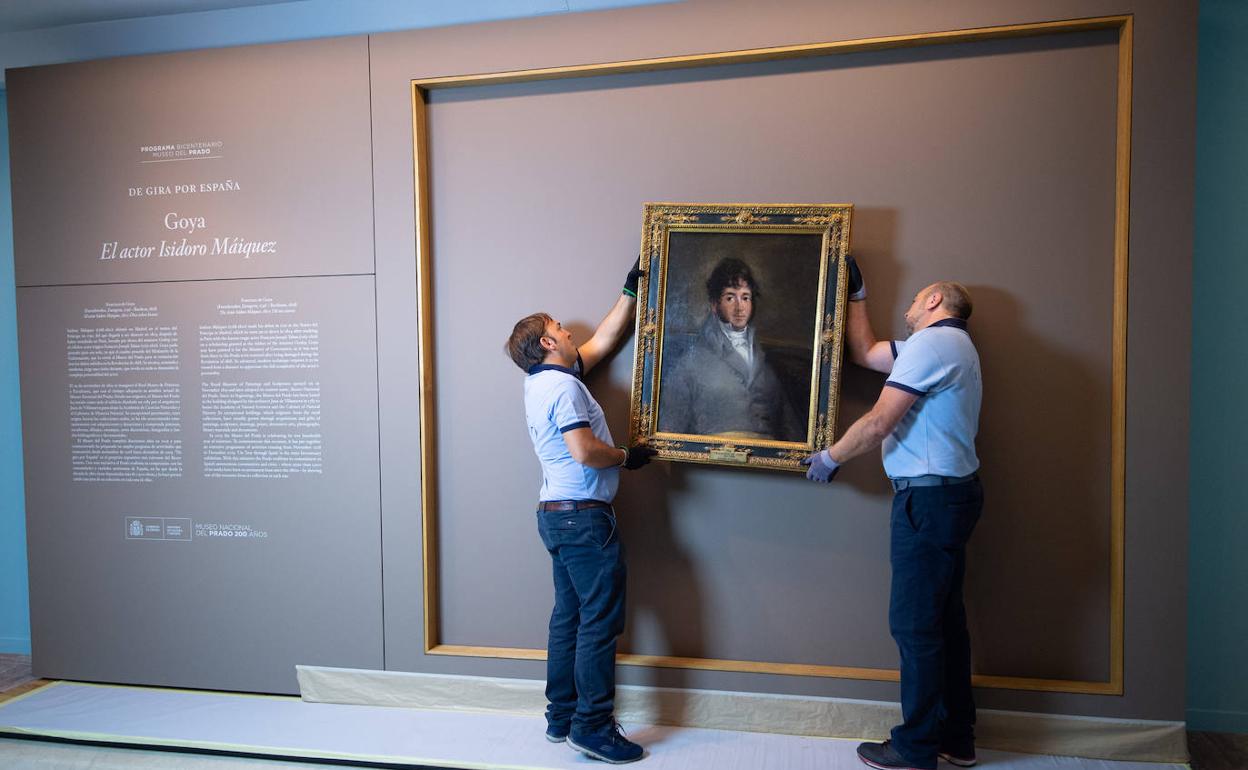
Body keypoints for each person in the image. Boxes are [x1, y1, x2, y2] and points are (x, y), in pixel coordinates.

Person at [803, 258, 983, 770]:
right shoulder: (950, 345)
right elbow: (865, 352)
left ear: (934, 301)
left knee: (915, 625)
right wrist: (856, 293)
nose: (908, 305)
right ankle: (955, 738)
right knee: (945, 623)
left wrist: (830, 457)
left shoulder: (932, 345)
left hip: (928, 499)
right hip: (951, 495)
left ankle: (915, 747)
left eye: (916, 297)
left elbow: (880, 421)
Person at [504, 258, 656, 765]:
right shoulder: (565, 387)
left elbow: (603, 342)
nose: (570, 332)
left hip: (555, 515)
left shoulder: (542, 382)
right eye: (560, 328)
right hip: (583, 519)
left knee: (568, 617)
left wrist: (629, 290)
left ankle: (562, 717)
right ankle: (591, 728)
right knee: (598, 621)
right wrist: (627, 457)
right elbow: (585, 451)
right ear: (548, 342)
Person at [658, 257, 804, 441]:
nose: (739, 307)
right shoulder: (691, 363)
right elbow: (668, 431)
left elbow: (790, 428)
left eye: (745, 297)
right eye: (730, 298)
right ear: (714, 305)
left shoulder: (765, 364)